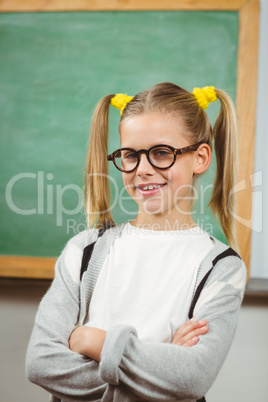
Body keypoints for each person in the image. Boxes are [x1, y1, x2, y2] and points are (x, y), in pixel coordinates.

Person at [26, 82, 247, 402]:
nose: (142, 170)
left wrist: (93, 341)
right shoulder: (84, 251)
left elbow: (191, 377)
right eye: (130, 155)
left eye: (161, 153)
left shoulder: (220, 267)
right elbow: (40, 364)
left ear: (200, 158)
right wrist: (158, 363)